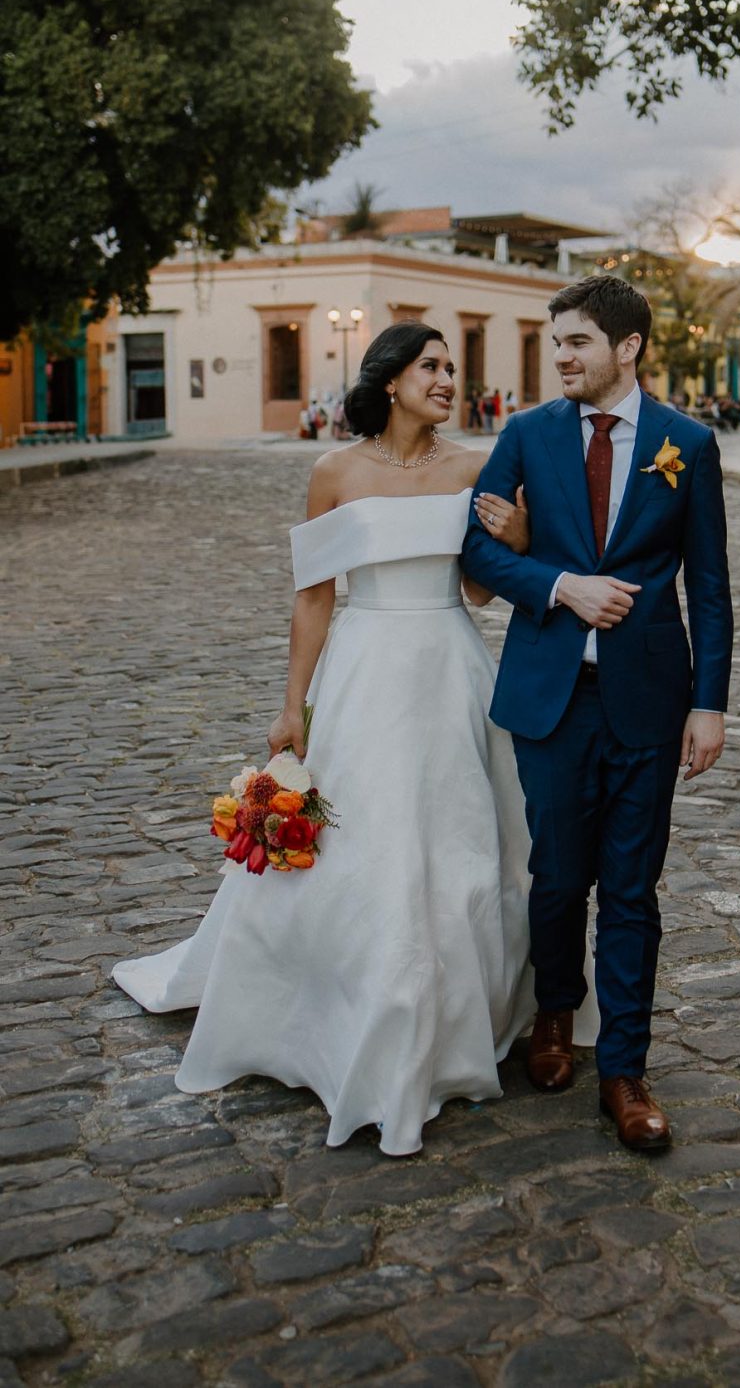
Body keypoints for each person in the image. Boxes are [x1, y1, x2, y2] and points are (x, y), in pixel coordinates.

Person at [112, 324, 596, 1156]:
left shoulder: (475, 466)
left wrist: (515, 544)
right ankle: (347, 1018)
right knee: (365, 849)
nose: (448, 379)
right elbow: (314, 598)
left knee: (466, 843)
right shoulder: (334, 472)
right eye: (431, 367)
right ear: (391, 379)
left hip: (450, 669)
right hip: (365, 670)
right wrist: (292, 705)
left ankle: (464, 1017)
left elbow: (480, 590)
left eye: (451, 367)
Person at [462, 275, 733, 1154]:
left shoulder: (687, 444)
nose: (561, 358)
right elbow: (472, 550)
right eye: (557, 343)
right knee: (555, 876)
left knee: (631, 889)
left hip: (649, 703)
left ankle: (624, 1069)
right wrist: (557, 584)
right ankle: (552, 1015)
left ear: (628, 348)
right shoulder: (527, 436)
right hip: (550, 698)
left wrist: (710, 705)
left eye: (576, 342)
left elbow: (711, 586)